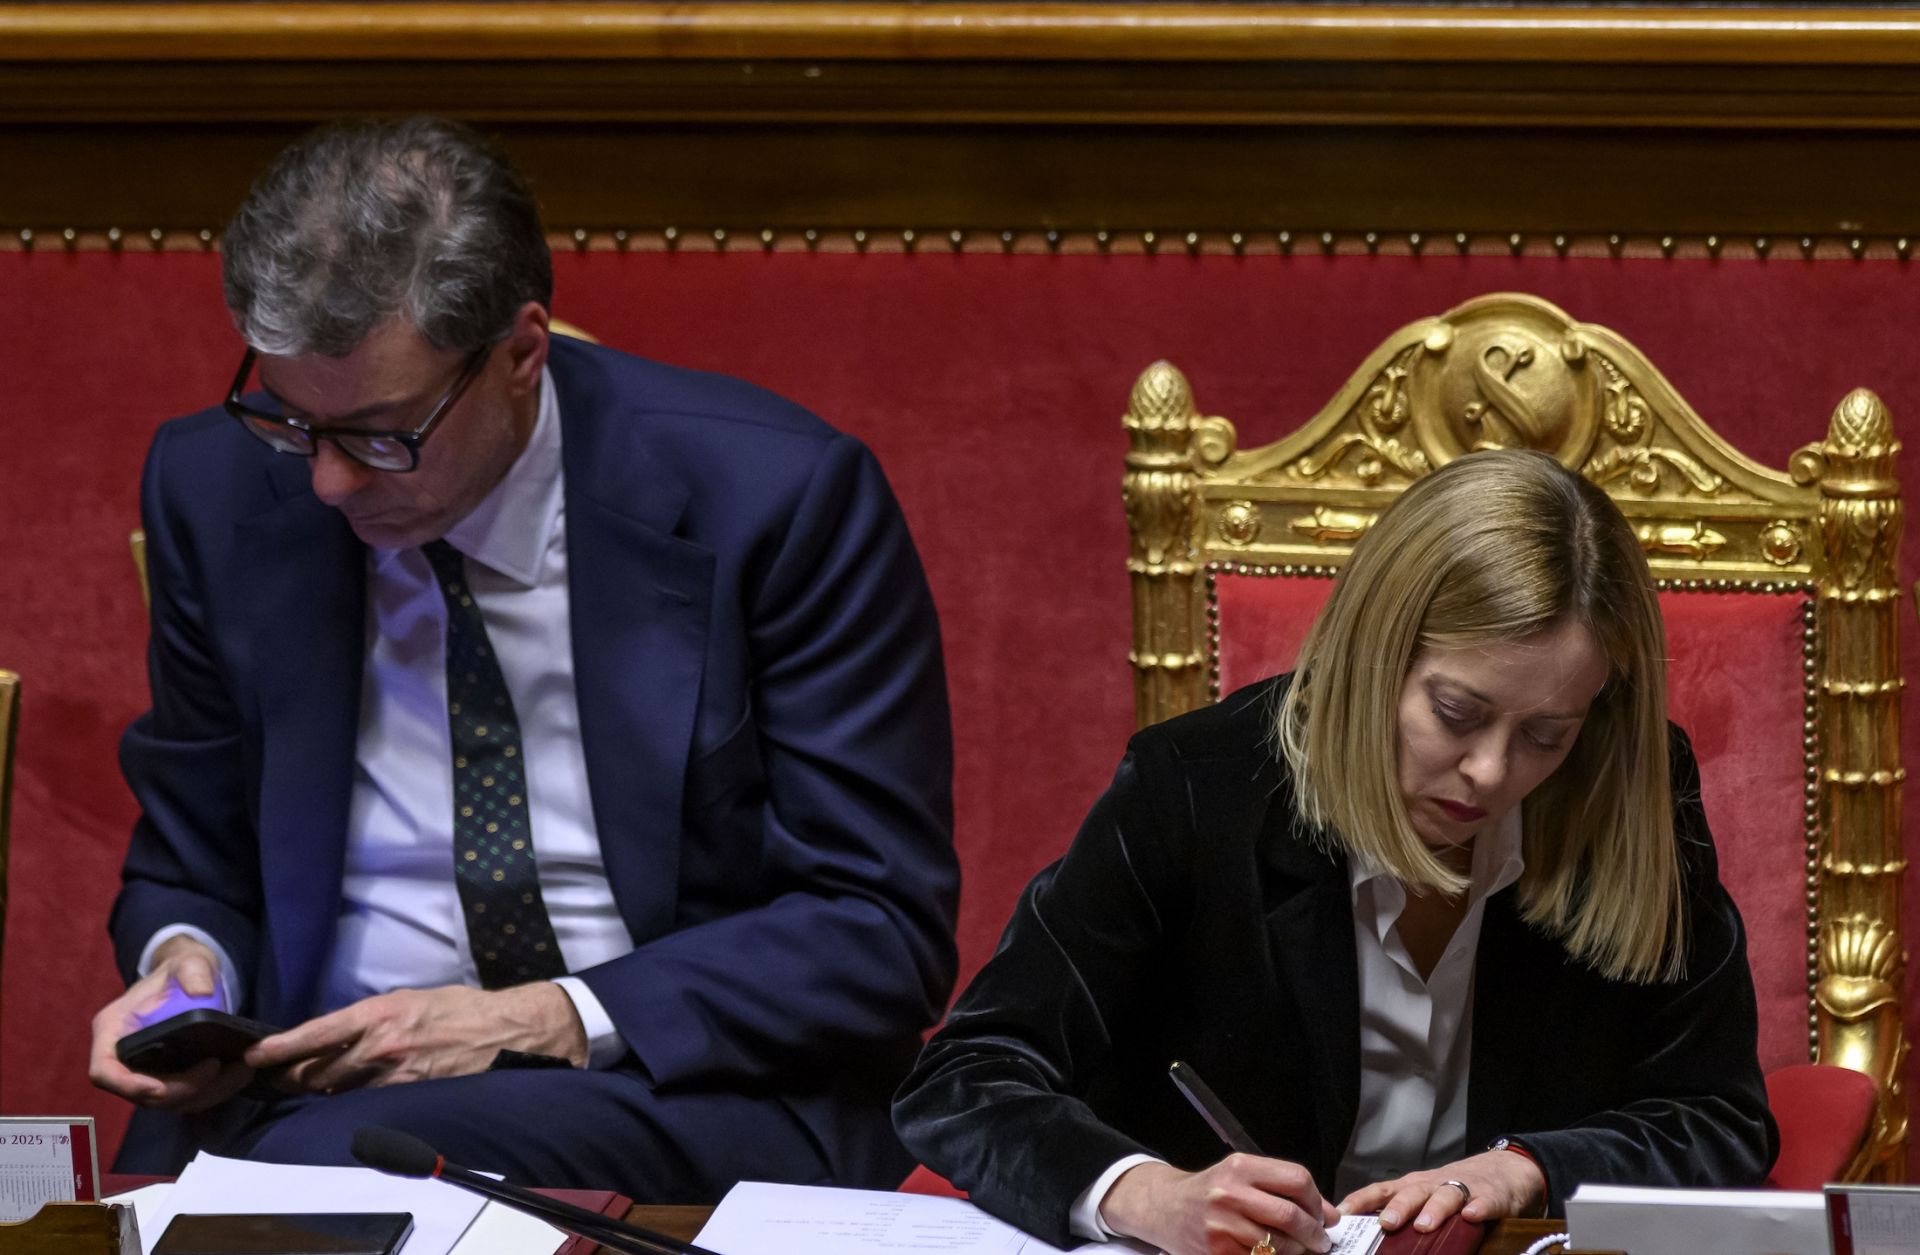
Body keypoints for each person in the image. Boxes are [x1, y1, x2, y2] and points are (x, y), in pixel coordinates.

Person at [88, 117, 960, 1200]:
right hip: (304, 1088)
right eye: (290, 421)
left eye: (377, 432)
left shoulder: (778, 499)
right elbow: (191, 855)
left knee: (304, 1184)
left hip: (678, 1088)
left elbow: (876, 930)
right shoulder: (213, 488)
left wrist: (538, 1018)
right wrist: (186, 972)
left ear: (521, 354)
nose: (327, 483)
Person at [893, 449, 1776, 1255]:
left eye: (1547, 732)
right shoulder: (1197, 788)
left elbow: (1717, 1113)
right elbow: (969, 1074)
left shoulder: (1628, 786)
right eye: (1457, 713)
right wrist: (1150, 1193)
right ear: (1372, 658)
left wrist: (1526, 1165)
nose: (1492, 772)